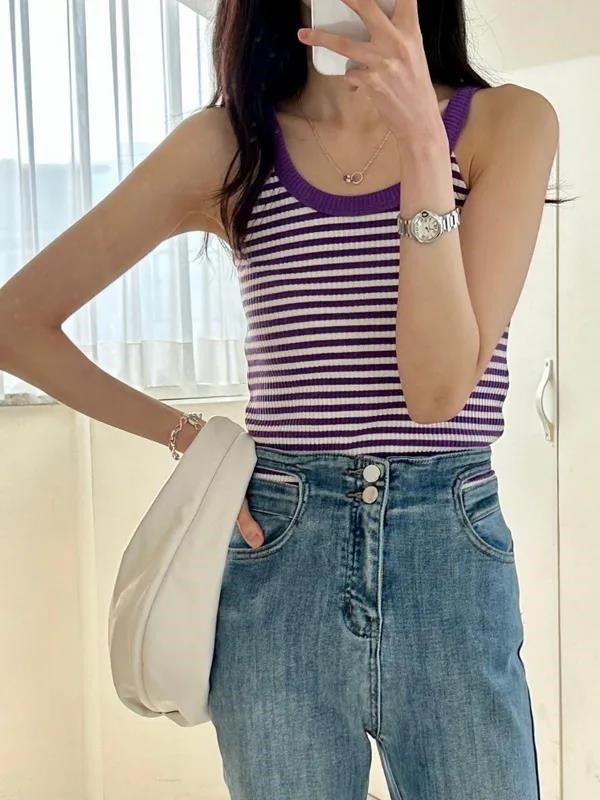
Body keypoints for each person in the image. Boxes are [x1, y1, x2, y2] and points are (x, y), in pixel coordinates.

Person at [0, 0, 559, 797]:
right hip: (283, 551)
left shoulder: (508, 125)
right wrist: (189, 435)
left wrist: (422, 143)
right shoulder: (229, 145)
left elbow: (436, 392)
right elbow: (16, 323)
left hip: (448, 551)